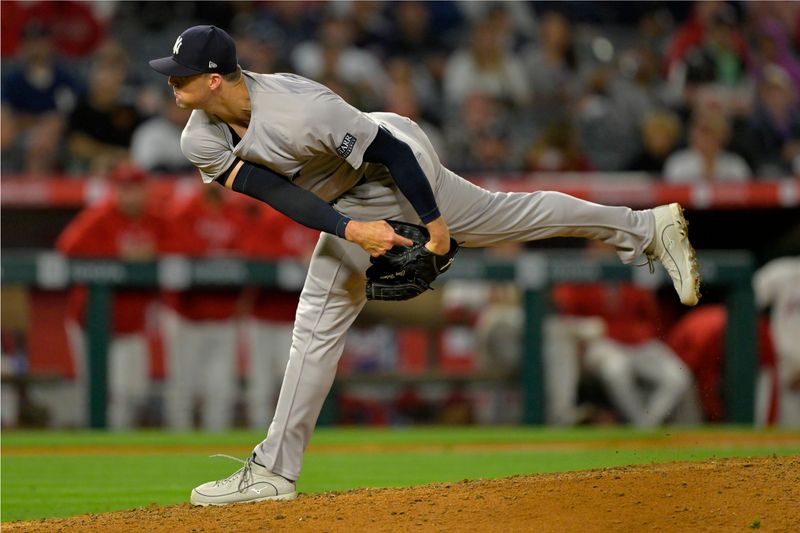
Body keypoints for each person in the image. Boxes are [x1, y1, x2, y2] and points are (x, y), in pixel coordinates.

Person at [149, 25, 700, 505]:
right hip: (351, 195)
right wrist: (350, 230)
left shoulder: (299, 108)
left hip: (391, 160)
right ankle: (647, 228)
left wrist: (436, 232)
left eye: (182, 75)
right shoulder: (199, 135)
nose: (172, 83)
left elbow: (391, 154)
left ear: (216, 79)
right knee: (508, 214)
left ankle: (273, 470)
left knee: (317, 315)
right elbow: (273, 191)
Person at [56, 163, 165, 429]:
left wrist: (153, 253)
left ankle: (119, 451)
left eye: (136, 188)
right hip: (92, 326)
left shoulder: (156, 219)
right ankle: (93, 452)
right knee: (97, 394)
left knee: (132, 394)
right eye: (125, 189)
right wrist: (120, 253)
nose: (131, 195)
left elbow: (184, 249)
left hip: (131, 324)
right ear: (116, 191)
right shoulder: (100, 216)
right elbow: (67, 249)